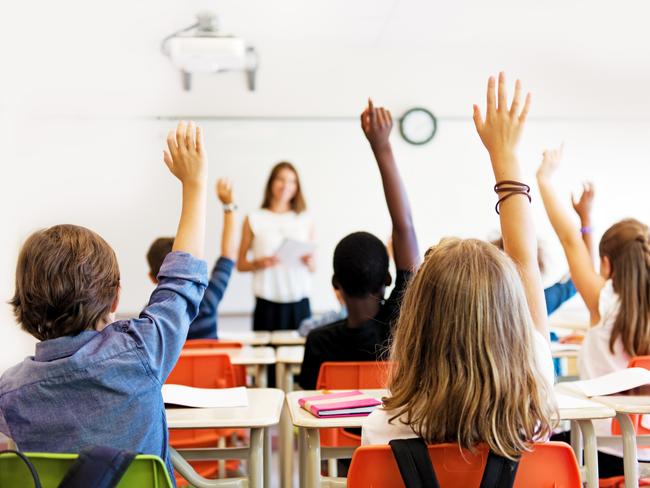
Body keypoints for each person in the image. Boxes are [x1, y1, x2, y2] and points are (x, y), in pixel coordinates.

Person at [0, 121, 209, 482]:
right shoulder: (140, 352)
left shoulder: (9, 394)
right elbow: (182, 282)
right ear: (115, 296)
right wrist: (194, 185)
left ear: (26, 300)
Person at [362, 73, 556, 459]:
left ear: (417, 321)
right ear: (511, 314)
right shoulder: (535, 412)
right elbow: (526, 264)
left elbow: (525, 265)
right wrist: (505, 156)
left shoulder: (385, 429)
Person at [537, 143, 650, 477]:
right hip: (646, 459)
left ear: (606, 263)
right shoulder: (608, 299)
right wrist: (587, 219)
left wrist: (544, 179)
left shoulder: (603, 299)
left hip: (602, 455)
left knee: (537, 445)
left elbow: (570, 241)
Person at [298, 99, 420, 390]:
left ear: (335, 285)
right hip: (391, 437)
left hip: (336, 438)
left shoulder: (318, 343)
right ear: (388, 279)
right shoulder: (401, 331)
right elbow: (405, 227)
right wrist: (382, 147)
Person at [147, 178, 238, 339]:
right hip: (211, 366)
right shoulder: (207, 301)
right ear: (188, 267)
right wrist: (228, 206)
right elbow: (229, 255)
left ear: (152, 277)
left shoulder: (151, 317)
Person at [237, 162, 315, 331]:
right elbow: (240, 264)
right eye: (281, 179)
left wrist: (309, 262)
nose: (286, 185)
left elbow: (313, 266)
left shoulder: (304, 218)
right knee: (264, 356)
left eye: (292, 181)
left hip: (299, 302)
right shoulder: (254, 218)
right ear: (271, 182)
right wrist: (259, 263)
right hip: (267, 304)